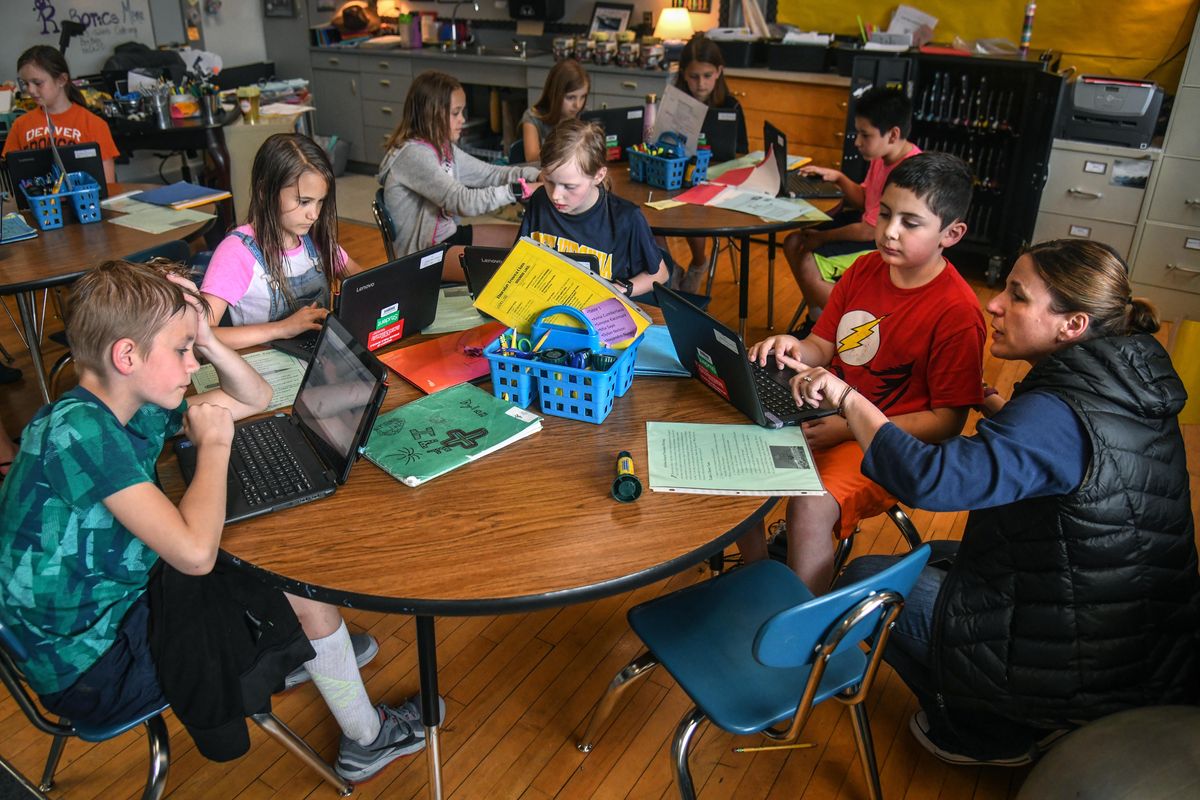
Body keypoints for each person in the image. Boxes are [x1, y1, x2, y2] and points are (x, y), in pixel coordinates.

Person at [0, 260, 436, 783]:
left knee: (267, 562)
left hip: (90, 622)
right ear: (126, 355)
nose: (192, 365)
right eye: (182, 352)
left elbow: (255, 397)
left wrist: (203, 334)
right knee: (297, 586)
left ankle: (308, 650)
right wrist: (214, 444)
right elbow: (194, 554)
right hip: (93, 668)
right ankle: (365, 735)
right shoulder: (82, 434)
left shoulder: (112, 407)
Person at [786, 238, 1199, 766]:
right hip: (1137, 633)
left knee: (864, 583)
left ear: (1072, 325)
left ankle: (988, 732)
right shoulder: (1127, 374)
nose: (995, 304)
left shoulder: (1058, 414)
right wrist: (997, 404)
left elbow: (933, 481)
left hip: (1079, 658)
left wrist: (848, 400)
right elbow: (1076, 462)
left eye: (1018, 297)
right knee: (934, 557)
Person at [741, 152, 985, 593]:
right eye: (886, 214)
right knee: (734, 451)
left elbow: (948, 421)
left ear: (951, 233)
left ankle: (802, 616)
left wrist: (847, 427)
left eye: (911, 223)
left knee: (810, 505)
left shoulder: (958, 312)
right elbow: (821, 345)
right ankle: (756, 580)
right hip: (824, 416)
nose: (889, 232)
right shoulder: (864, 269)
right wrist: (792, 345)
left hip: (886, 442)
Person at [201, 133, 365, 350]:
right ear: (264, 192)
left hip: (317, 359)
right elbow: (201, 335)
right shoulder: (236, 252)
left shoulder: (315, 239)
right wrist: (282, 328)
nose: (314, 215)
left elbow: (363, 281)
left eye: (320, 202)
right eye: (304, 202)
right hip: (264, 370)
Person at [781, 87, 920, 336]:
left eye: (864, 135)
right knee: (793, 241)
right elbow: (865, 200)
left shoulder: (906, 172)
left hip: (882, 244)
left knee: (807, 258)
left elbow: (870, 229)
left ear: (893, 134)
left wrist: (822, 238)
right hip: (869, 230)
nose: (857, 142)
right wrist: (839, 177)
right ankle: (818, 320)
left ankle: (841, 332)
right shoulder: (882, 155)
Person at [378, 70, 541, 274]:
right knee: (516, 269)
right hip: (423, 258)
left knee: (531, 240)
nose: (462, 119)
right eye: (455, 113)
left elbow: (489, 174)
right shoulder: (413, 155)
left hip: (446, 239)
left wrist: (534, 176)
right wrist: (518, 190)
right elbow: (463, 201)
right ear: (432, 113)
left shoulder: (443, 147)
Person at [519, 118, 668, 296]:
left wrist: (619, 290)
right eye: (549, 182)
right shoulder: (540, 200)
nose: (556, 195)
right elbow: (520, 261)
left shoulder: (627, 218)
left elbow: (660, 274)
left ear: (598, 175)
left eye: (569, 186)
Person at [670, 34, 749, 293]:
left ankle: (699, 261)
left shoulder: (731, 106)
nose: (701, 83)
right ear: (683, 74)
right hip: (678, 174)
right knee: (647, 212)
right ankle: (668, 266)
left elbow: (741, 152)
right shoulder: (676, 102)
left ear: (719, 72)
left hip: (715, 181)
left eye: (707, 75)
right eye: (694, 77)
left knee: (694, 209)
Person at [3, 46, 119, 184]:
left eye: (37, 83)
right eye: (26, 84)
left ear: (62, 80)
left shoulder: (94, 124)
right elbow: (11, 176)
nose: (31, 90)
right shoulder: (20, 125)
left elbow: (108, 184)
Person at [521, 59, 590, 163]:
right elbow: (532, 159)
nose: (578, 105)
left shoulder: (586, 116)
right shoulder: (532, 118)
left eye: (583, 97)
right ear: (554, 94)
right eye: (570, 98)